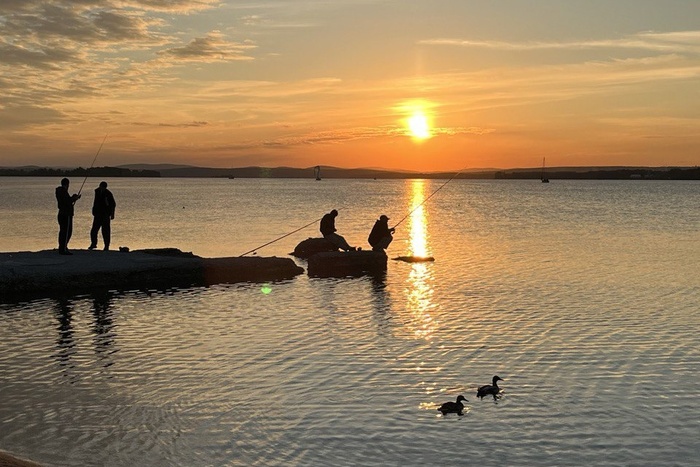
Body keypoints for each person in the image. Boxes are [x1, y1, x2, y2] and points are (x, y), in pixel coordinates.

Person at [55, 177, 81, 255]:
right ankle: (63, 249)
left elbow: (66, 201)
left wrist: (73, 198)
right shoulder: (63, 192)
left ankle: (62, 247)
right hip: (66, 214)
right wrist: (75, 198)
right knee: (67, 232)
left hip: (61, 214)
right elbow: (67, 201)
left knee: (63, 231)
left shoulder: (59, 191)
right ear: (67, 184)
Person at [88, 181, 116, 251]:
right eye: (101, 187)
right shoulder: (97, 192)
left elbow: (113, 204)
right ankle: (93, 243)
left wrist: (112, 214)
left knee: (106, 231)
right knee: (94, 230)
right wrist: (93, 210)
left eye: (103, 187)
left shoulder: (108, 194)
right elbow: (95, 202)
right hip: (97, 214)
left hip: (105, 215)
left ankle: (106, 246)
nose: (102, 188)